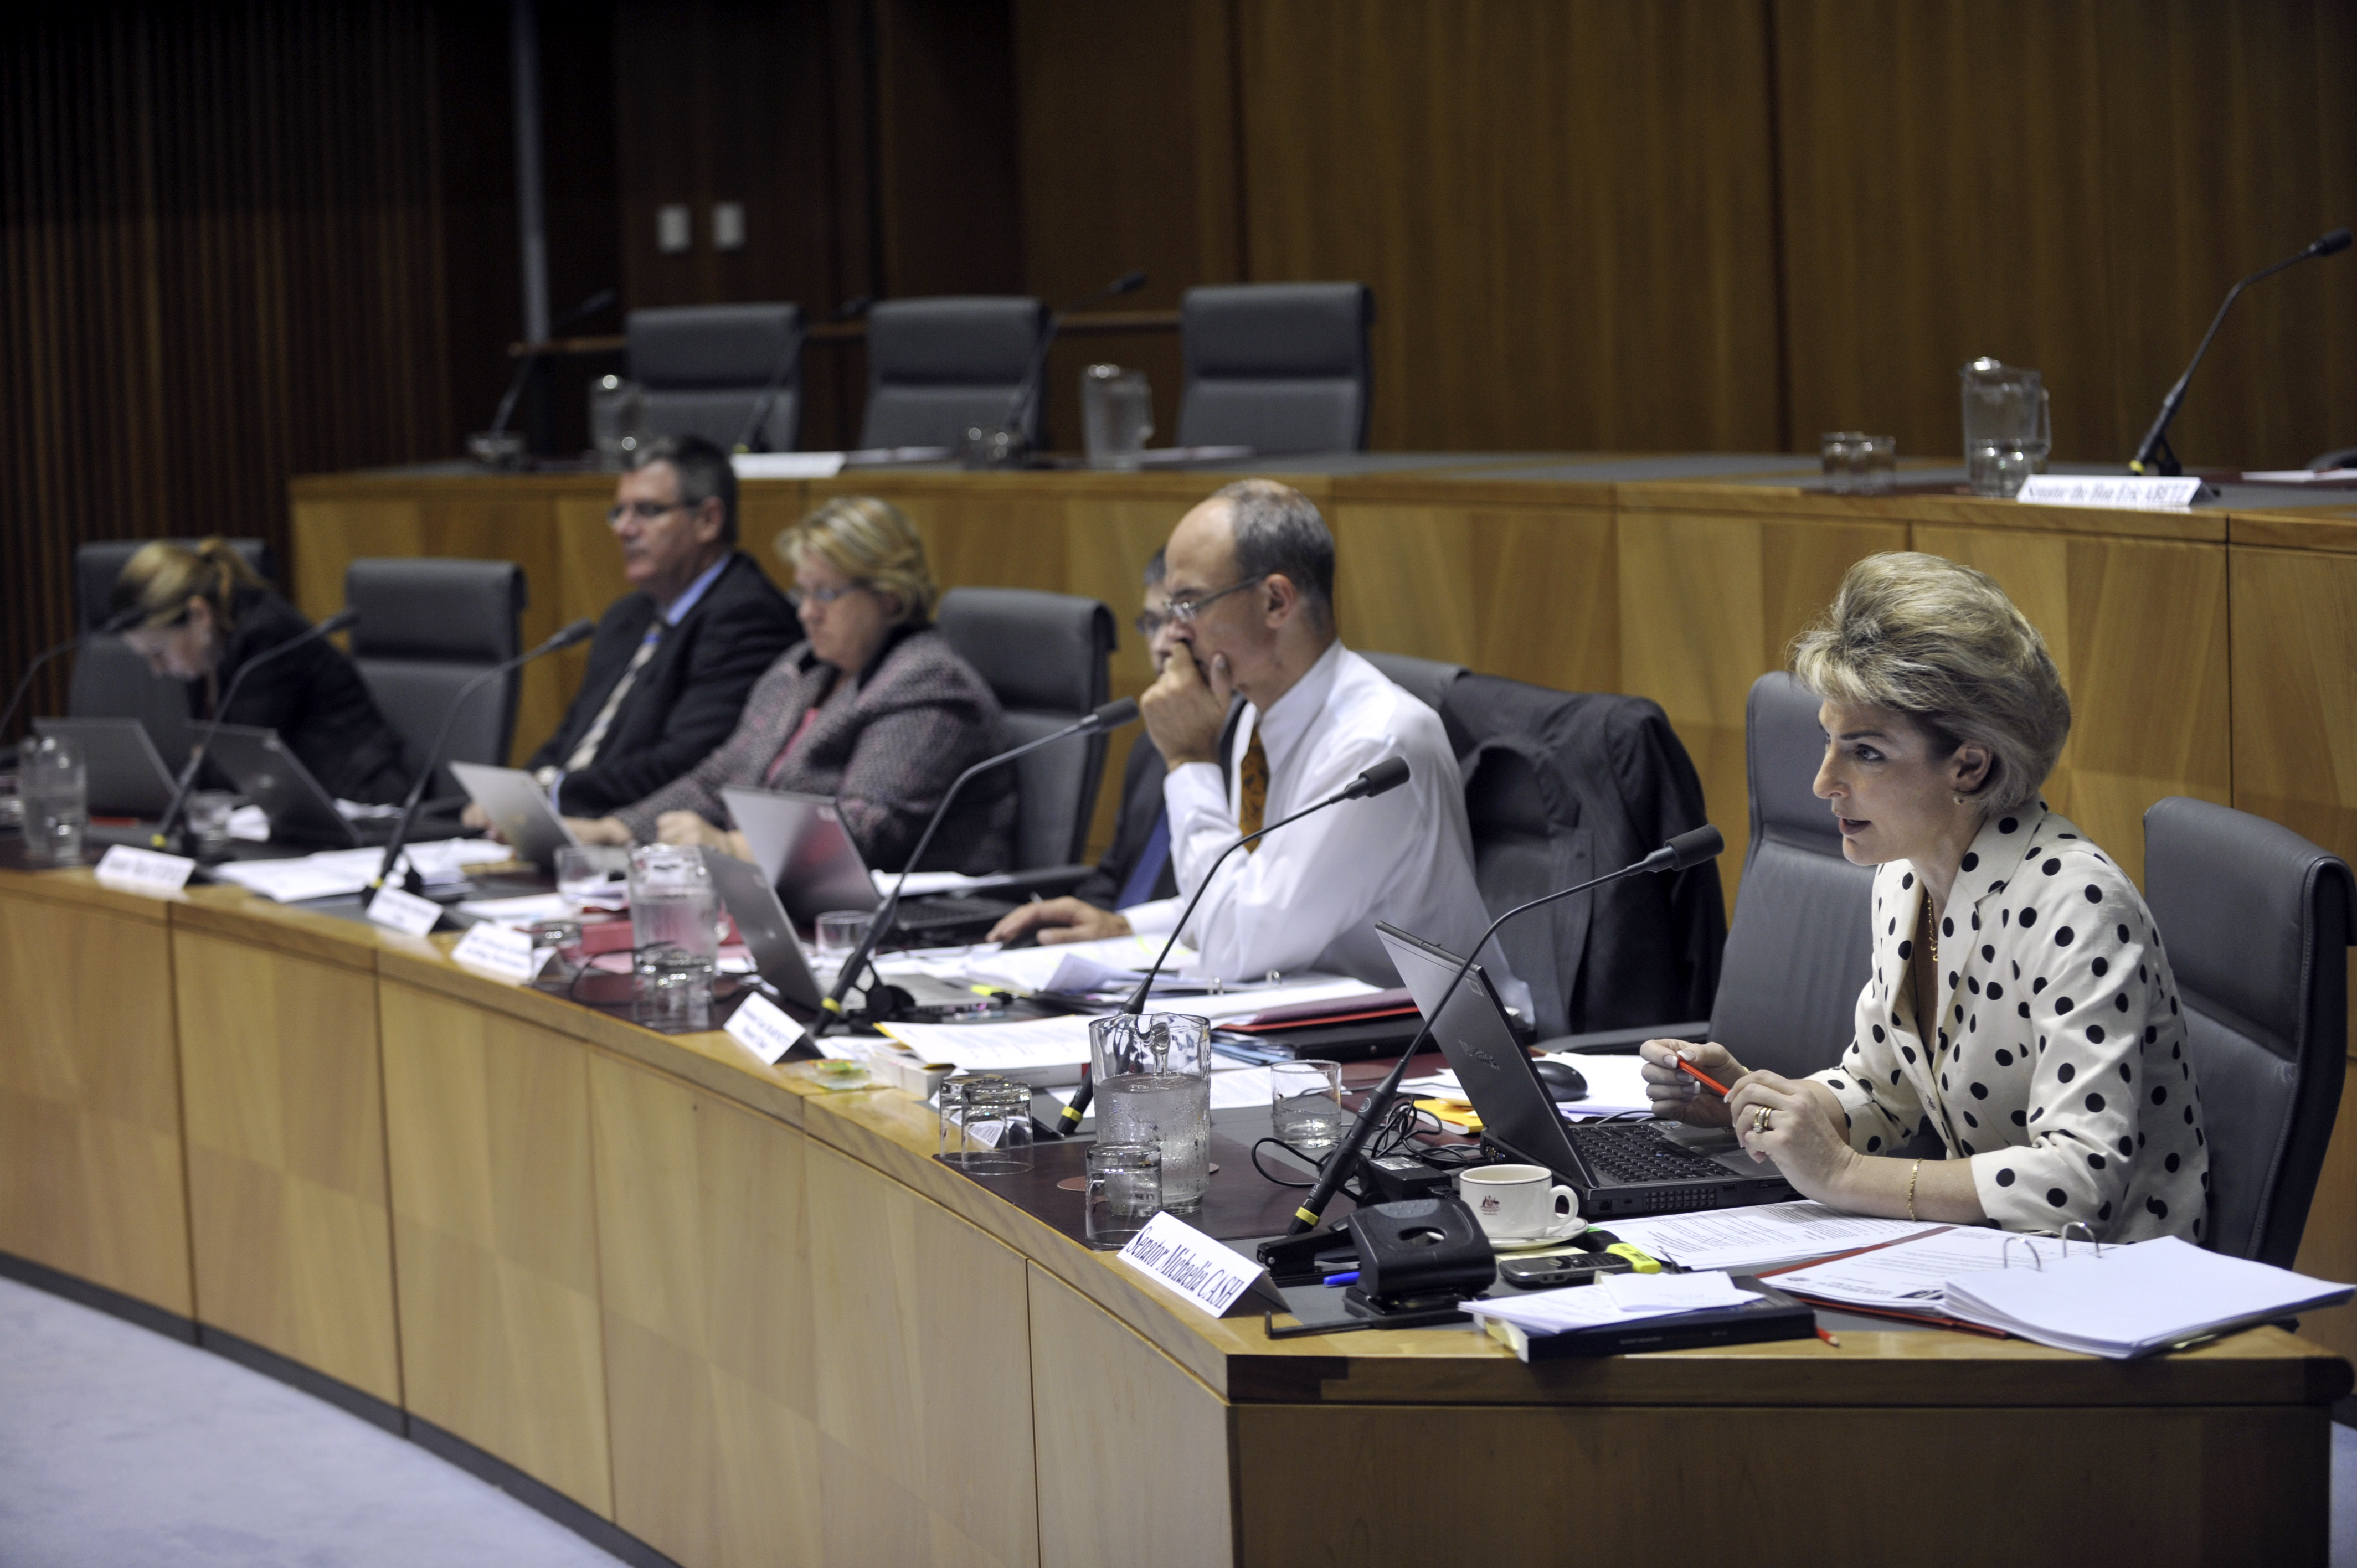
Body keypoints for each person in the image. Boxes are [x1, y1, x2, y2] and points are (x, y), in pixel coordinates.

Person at [1640, 553, 2209, 1244]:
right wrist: (1757, 1102)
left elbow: (2076, 1181)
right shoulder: (1906, 876)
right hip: (1993, 1265)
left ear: (1968, 765)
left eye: (1866, 752)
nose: (1824, 782)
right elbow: (1883, 1088)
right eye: (1828, 742)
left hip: (2116, 1294)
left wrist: (1842, 1175)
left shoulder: (2077, 904)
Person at [997, 477, 1523, 1007]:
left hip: (1437, 1057)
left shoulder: (1375, 742)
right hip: (1317, 1030)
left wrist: (1188, 761)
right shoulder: (1255, 718)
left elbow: (1239, 944)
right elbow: (1250, 892)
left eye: (1189, 606)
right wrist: (1122, 926)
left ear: (1275, 601)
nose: (1174, 637)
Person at [565, 496, 1015, 873]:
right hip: (793, 906)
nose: (806, 614)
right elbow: (717, 778)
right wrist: (616, 830)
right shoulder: (801, 670)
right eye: (802, 593)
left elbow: (866, 831)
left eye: (826, 595)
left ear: (889, 596)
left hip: (915, 928)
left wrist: (728, 847)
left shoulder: (927, 683)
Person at [518, 433, 800, 818]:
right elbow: (572, 736)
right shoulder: (626, 616)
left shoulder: (748, 617)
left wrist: (552, 793)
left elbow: (686, 762)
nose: (623, 529)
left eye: (647, 511)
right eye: (619, 512)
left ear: (708, 520)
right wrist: (519, 794)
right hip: (570, 823)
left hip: (644, 834)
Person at [113, 538, 414, 804]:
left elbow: (245, 766)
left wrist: (205, 765)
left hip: (362, 801)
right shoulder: (205, 651)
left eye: (159, 653)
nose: (158, 670)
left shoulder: (267, 635)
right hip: (298, 812)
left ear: (199, 614)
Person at [987, 550, 1182, 942]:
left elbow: (1238, 911)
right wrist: (1068, 924)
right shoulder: (1154, 741)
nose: (1161, 644)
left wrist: (1121, 931)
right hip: (1112, 971)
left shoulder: (1254, 757)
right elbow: (1113, 876)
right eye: (1152, 623)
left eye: (1177, 621)